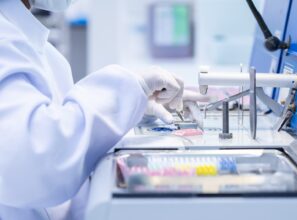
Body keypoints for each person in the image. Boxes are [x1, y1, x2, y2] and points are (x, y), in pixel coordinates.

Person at [0, 0, 207, 219]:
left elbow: (59, 137)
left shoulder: (39, 49)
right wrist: (127, 91)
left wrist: (132, 109)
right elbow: (31, 164)